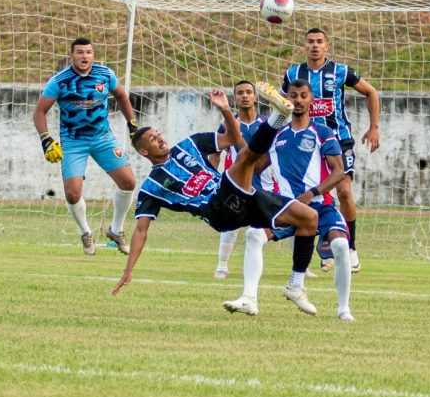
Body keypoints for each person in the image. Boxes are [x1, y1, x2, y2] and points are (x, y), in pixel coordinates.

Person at [112, 83, 321, 315]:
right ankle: (278, 117)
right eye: (152, 139)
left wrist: (225, 110)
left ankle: (295, 286)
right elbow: (141, 230)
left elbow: (233, 137)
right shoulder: (152, 187)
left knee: (309, 218)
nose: (160, 139)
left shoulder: (190, 144)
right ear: (143, 151)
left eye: (159, 134)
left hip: (240, 195)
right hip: (216, 210)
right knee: (245, 159)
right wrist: (128, 270)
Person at [224, 80, 354, 320]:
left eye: (304, 95)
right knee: (253, 235)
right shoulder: (277, 135)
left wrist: (312, 193)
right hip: (286, 207)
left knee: (340, 246)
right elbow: (255, 164)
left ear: (311, 100)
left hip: (320, 205)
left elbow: (339, 172)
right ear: (287, 100)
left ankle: (343, 309)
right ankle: (249, 298)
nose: (298, 100)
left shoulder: (322, 133)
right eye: (293, 95)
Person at [282, 28, 380, 273]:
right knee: (310, 195)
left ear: (327, 46)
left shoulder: (340, 71)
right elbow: (286, 104)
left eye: (319, 42)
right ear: (304, 46)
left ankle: (351, 248)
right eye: (310, 42)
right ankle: (324, 248)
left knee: (344, 190)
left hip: (339, 140)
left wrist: (374, 127)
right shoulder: (293, 73)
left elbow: (371, 92)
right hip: (307, 145)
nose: (315, 46)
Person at [33, 38, 137, 255]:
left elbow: (121, 96)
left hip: (102, 138)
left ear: (93, 54)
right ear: (72, 56)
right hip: (73, 142)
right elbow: (39, 111)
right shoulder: (59, 81)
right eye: (80, 52)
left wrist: (133, 125)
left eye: (88, 52)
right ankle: (85, 232)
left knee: (128, 182)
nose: (85, 56)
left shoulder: (105, 74)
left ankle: (116, 230)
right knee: (72, 194)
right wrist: (46, 139)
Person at [211, 80, 267, 279]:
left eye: (249, 92)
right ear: (235, 98)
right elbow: (215, 152)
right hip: (235, 182)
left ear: (256, 97)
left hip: (265, 180)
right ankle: (222, 265)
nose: (245, 95)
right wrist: (213, 173)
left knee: (280, 220)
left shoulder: (266, 125)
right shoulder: (227, 125)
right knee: (230, 221)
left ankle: (301, 266)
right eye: (240, 93)